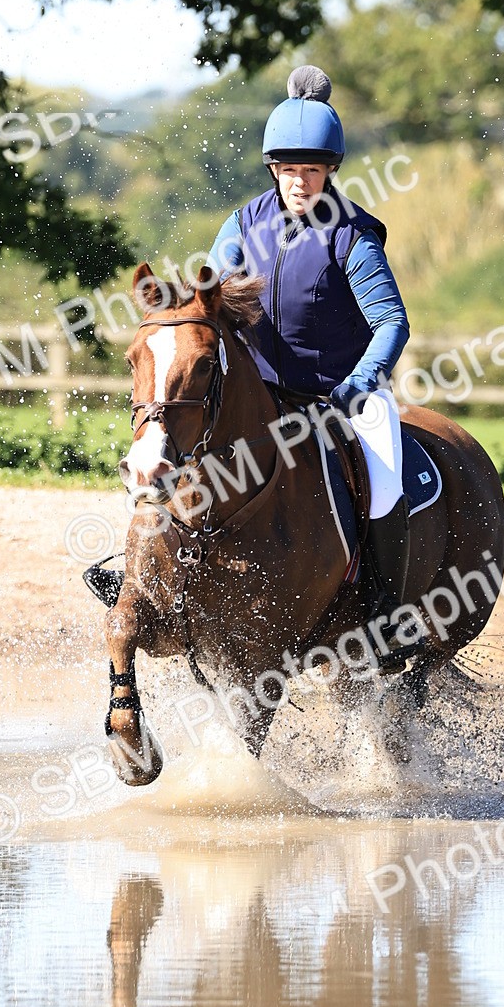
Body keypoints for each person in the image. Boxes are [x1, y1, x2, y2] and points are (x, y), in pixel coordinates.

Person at [205, 65, 412, 672]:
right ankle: (156, 574)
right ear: (274, 168)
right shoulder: (243, 225)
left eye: (313, 170)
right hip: (264, 395)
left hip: (339, 397)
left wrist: (355, 391)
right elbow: (216, 293)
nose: (301, 181)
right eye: (290, 169)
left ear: (330, 171)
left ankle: (383, 610)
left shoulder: (353, 237)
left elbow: (391, 325)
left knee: (385, 472)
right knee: (184, 445)